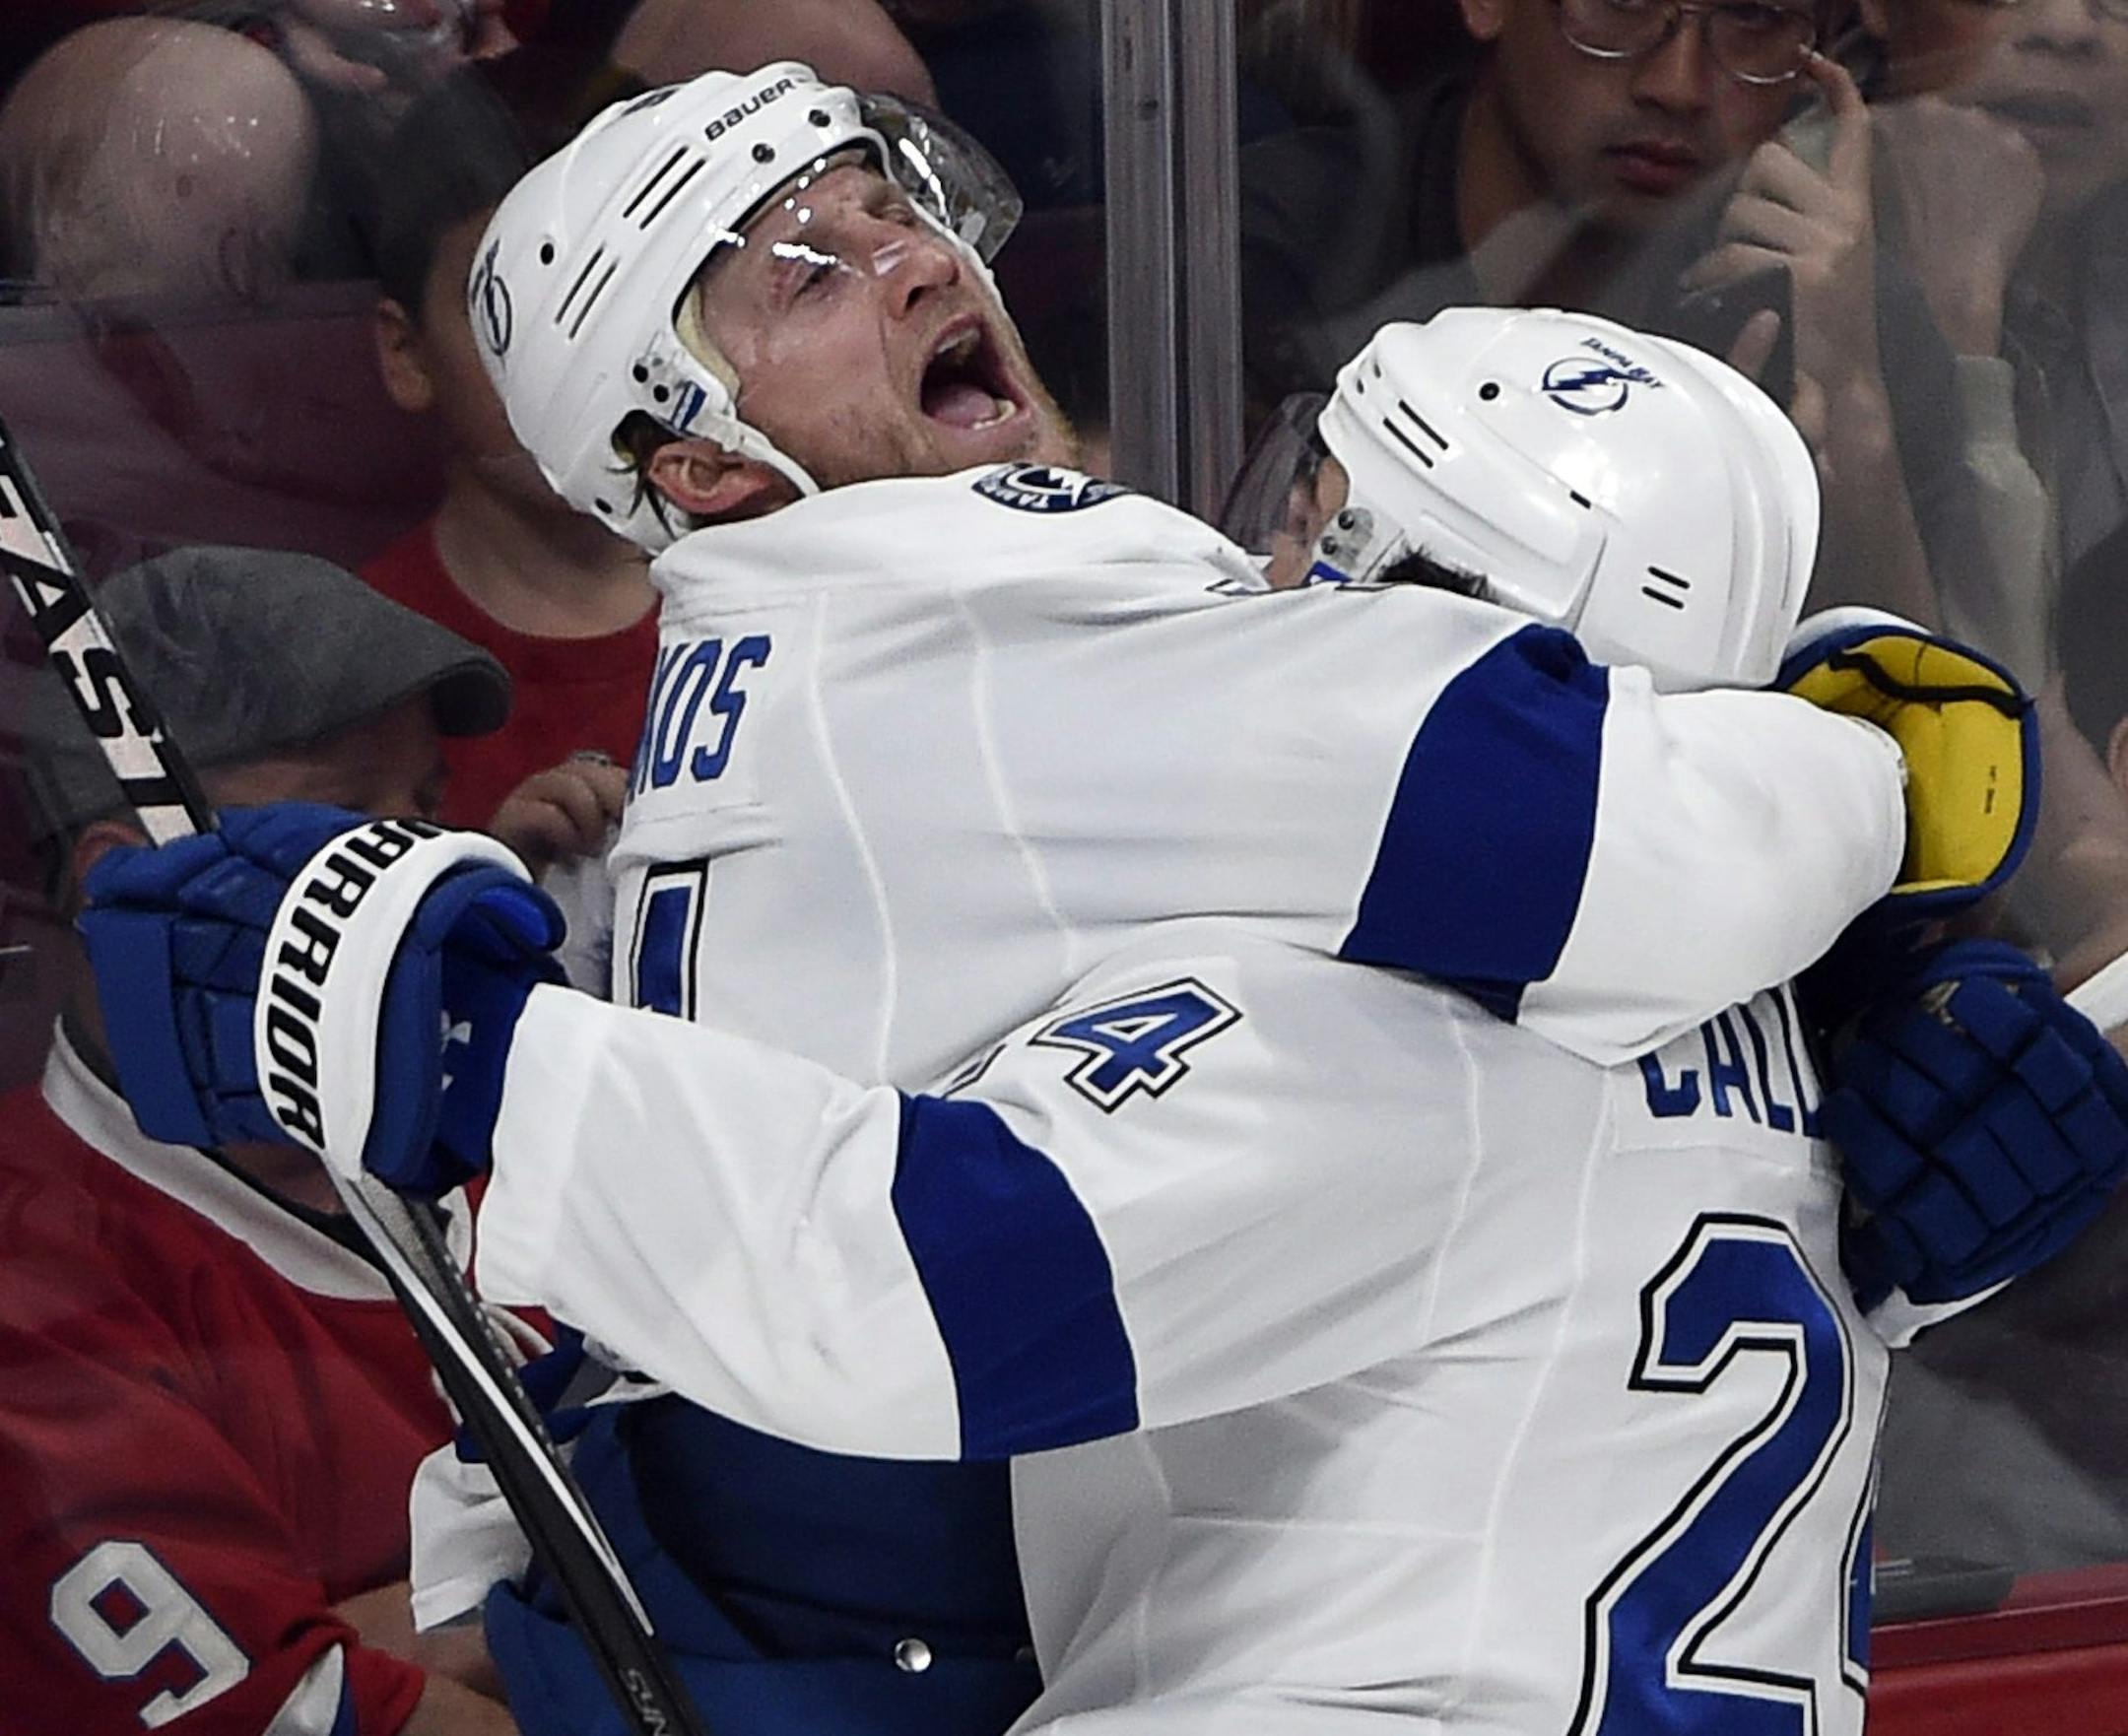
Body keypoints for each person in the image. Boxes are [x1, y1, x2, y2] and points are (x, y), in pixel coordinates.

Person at [70, 323, 2128, 1736]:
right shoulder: (1770, 1005)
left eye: (1322, 515)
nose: (1265, 561)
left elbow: (922, 1272)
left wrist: (447, 1047)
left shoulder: (1383, 1015)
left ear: (1442, 594)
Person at [0, 544, 519, 1735]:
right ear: (126, 885)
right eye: (343, 829)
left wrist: (399, 1622)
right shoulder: (35, 1291)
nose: (418, 878)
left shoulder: (507, 1115)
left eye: (426, 812)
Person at [1235, 0, 1987, 634]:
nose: (1679, 85)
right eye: (1621, 3)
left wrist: (1852, 404)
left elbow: (1914, 744)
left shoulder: (1829, 304)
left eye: (1753, 16)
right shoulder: (1270, 252)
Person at [364, 72, 651, 880]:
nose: (571, 357)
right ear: (406, 353)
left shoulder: (789, 588)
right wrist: (479, 894)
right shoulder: (356, 677)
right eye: (505, 307)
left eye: (617, 290)